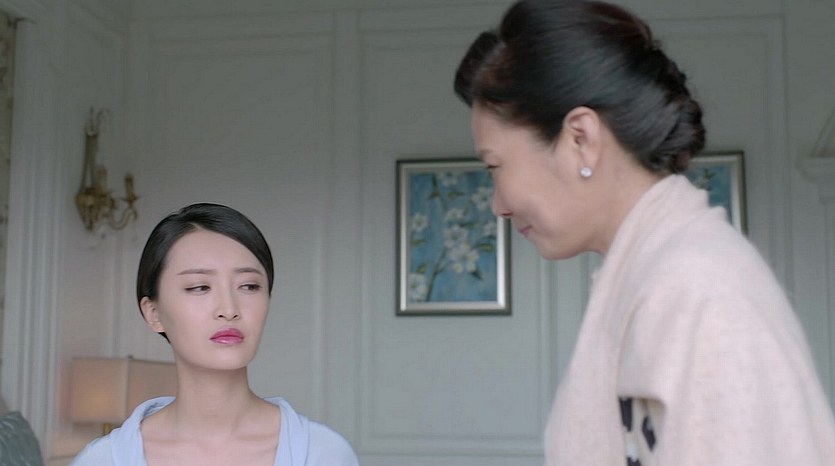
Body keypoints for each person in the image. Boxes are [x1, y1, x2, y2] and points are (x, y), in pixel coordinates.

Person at [454, 1, 835, 465]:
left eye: (495, 166)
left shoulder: (697, 291)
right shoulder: (661, 277)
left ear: (580, 139)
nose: (498, 205)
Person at [71, 203, 359, 466]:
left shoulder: (324, 453)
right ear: (153, 313)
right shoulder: (104, 460)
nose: (229, 309)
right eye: (199, 287)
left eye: (249, 286)